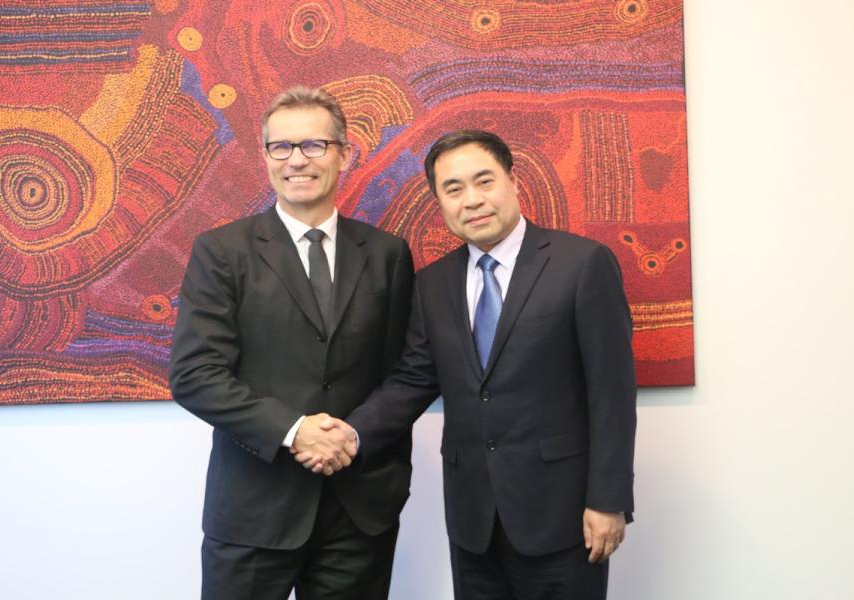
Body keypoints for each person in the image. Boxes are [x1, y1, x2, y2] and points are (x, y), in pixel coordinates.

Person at [303, 129, 637, 599]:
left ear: (513, 182)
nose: (472, 200)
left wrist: (609, 499)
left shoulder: (581, 264)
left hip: (563, 514)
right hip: (473, 519)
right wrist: (350, 435)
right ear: (439, 201)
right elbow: (413, 380)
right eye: (453, 189)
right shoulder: (434, 283)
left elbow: (613, 394)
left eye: (484, 181)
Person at [169, 86, 413, 600]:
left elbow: (406, 372)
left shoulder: (389, 254)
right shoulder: (221, 252)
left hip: (358, 511)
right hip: (254, 511)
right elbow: (195, 375)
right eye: (281, 147)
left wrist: (351, 436)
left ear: (344, 154)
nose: (296, 160)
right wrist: (295, 431)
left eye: (313, 145)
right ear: (265, 157)